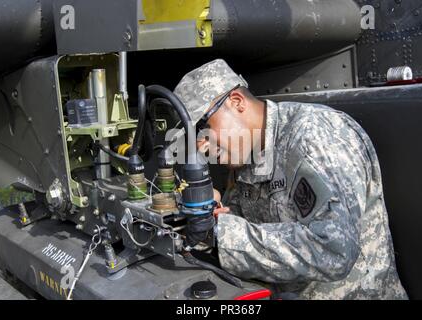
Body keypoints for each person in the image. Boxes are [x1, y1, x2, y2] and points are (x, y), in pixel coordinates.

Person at [173, 59, 408, 300]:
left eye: (202, 127)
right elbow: (252, 229)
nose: (200, 146)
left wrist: (220, 234)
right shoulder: (246, 154)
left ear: (236, 102)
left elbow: (335, 249)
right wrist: (207, 217)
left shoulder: (313, 137)